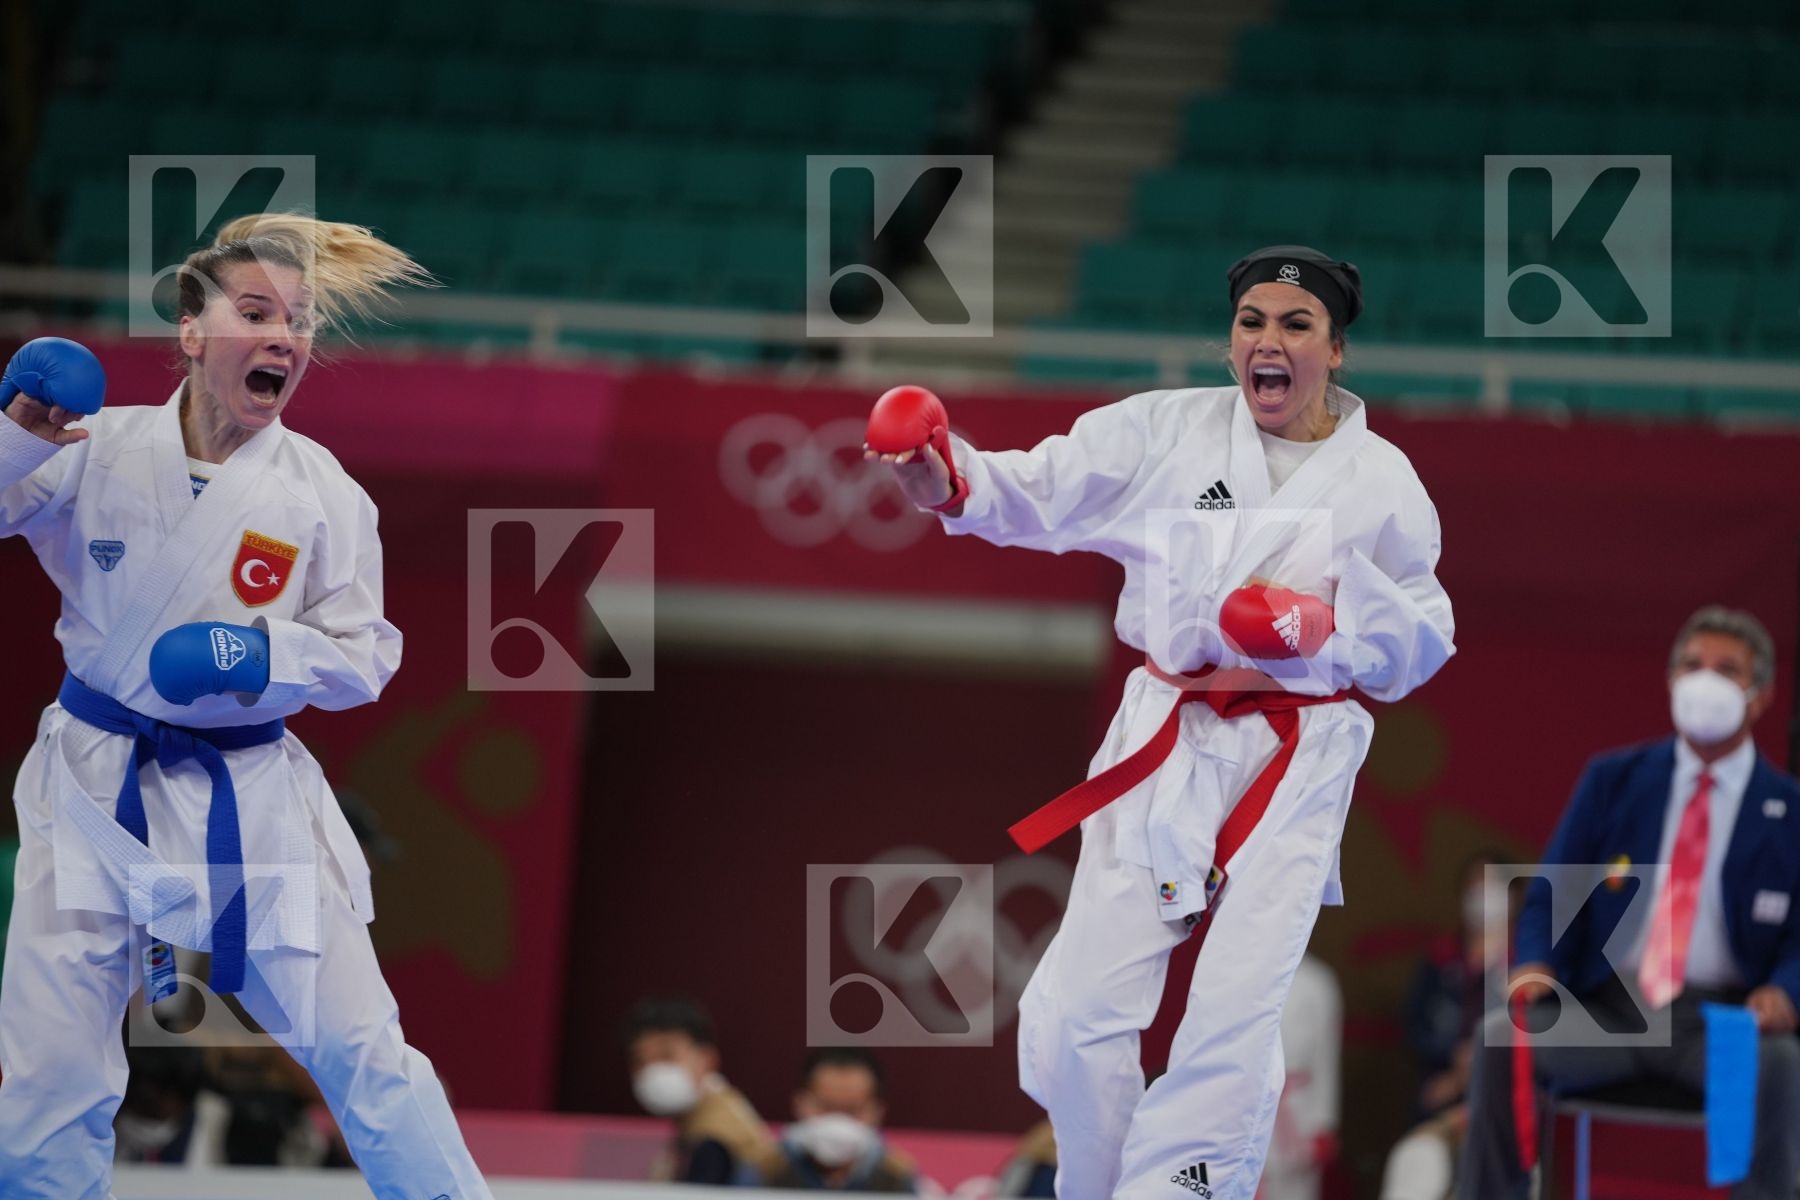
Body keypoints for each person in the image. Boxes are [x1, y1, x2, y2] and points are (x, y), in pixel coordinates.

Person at [867, 245, 1455, 1199]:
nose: (1269, 341)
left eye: (1296, 326)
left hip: (1300, 744)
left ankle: (1179, 1189)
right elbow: (1041, 486)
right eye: (1252, 323)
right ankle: (1096, 1185)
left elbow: (1425, 639)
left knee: (1233, 1010)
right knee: (1074, 1014)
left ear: (1336, 351)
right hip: (1167, 730)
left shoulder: (1382, 481)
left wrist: (1324, 634)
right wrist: (951, 479)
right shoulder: (1164, 430)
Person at [0, 213, 493, 1199]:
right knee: (47, 1078)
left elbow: (367, 659)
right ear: (190, 332)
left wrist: (254, 653)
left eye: (300, 321)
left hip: (250, 793)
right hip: (95, 786)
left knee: (364, 1051)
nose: (284, 337)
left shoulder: (324, 496)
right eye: (256, 312)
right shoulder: (96, 450)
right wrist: (14, 437)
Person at [1456, 606, 1800, 1200]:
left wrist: (1786, 991)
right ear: (1671, 680)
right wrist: (1536, 961)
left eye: (1726, 669)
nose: (1705, 680)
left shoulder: (1788, 808)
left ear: (1761, 694)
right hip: (1609, 1012)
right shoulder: (1614, 778)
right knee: (1500, 1038)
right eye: (1693, 666)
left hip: (1719, 1020)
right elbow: (1549, 893)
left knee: (1778, 1063)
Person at [1378, 851, 1510, 1200]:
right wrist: (1453, 1068)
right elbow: (1415, 1026)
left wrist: (1478, 1065)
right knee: (1416, 1164)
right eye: (1475, 886)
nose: (1483, 896)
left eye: (1493, 886)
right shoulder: (1440, 960)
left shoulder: (1526, 969)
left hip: (1503, 1111)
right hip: (1435, 1100)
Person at [621, 993, 780, 1185]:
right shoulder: (696, 1120)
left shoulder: (715, 1138)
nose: (652, 1071)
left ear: (707, 1059)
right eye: (640, 1061)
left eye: (667, 1055)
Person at [761, 1046, 917, 1192]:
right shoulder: (766, 1171)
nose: (838, 1122)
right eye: (827, 1108)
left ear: (877, 1112)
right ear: (800, 1103)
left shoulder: (896, 1177)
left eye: (852, 1111)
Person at [1258, 953, 1341, 1200]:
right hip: (1249, 1106)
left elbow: (1327, 1056)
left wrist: (1324, 1123)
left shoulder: (1318, 980)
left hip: (1300, 1107)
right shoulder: (1238, 970)